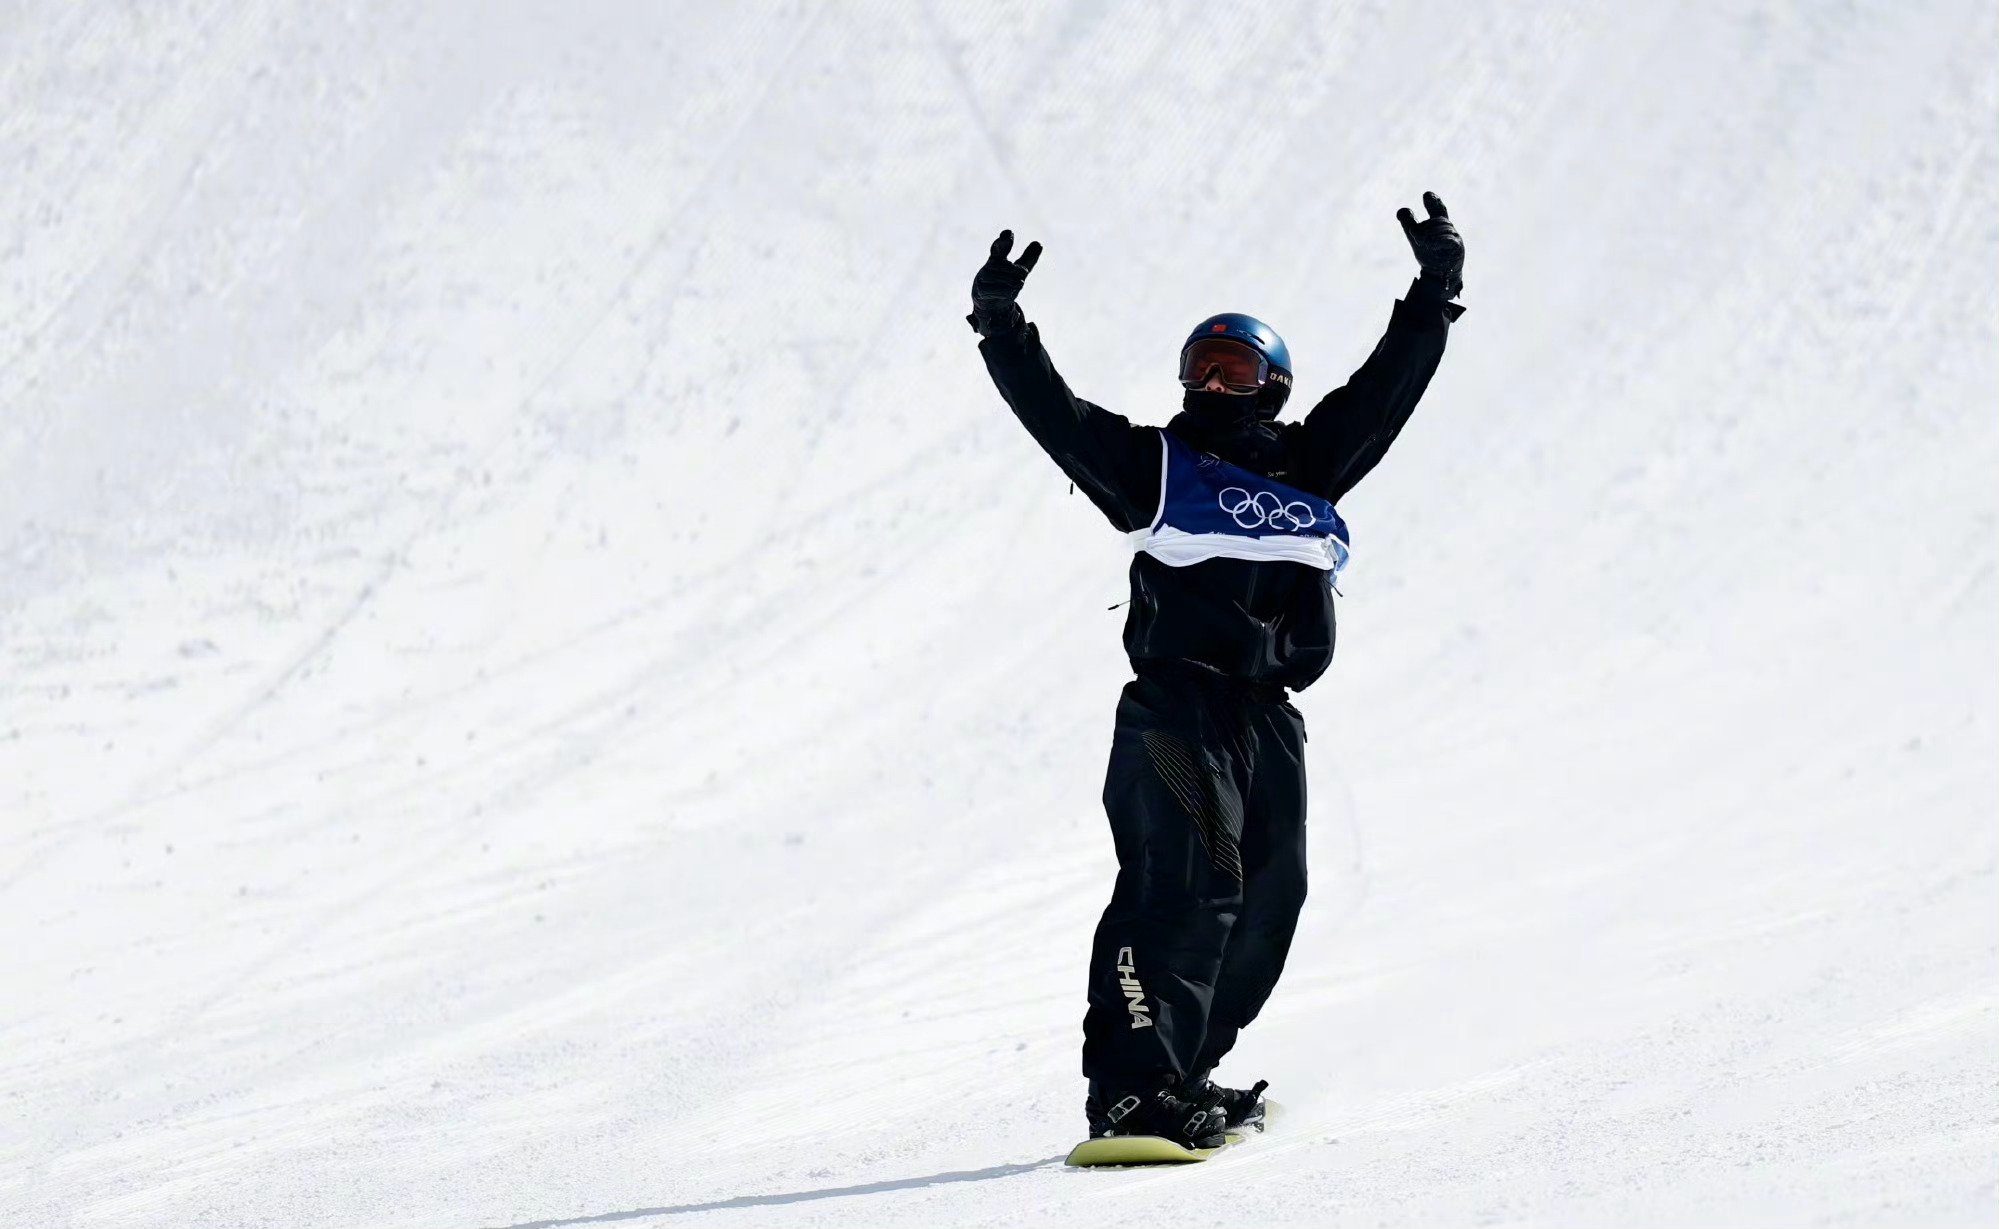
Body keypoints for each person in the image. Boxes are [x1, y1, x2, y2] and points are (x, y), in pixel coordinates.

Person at [969, 194, 1466, 1148]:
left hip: (1267, 715)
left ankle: (1183, 1073)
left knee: (1271, 897)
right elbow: (1056, 416)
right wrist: (1002, 326)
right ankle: (1128, 1087)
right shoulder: (1154, 466)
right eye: (1197, 365)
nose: (1209, 380)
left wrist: (1433, 290)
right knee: (1183, 885)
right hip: (1176, 704)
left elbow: (1386, 389)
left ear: (1271, 383)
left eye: (1232, 365)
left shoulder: (1309, 467)